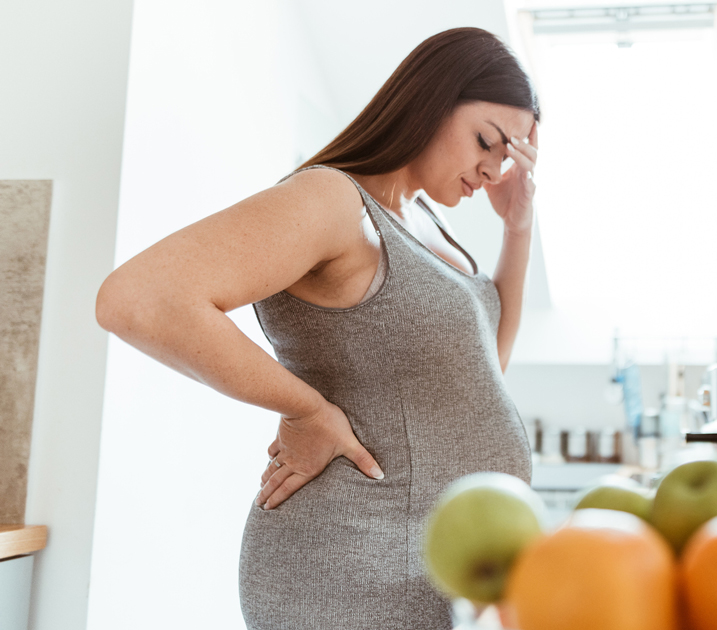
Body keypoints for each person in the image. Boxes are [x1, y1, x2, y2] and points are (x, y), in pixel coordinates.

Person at [95, 27, 539, 630]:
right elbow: (140, 299)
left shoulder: (424, 219)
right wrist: (306, 410)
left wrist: (518, 226)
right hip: (353, 564)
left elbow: (481, 371)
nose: (492, 169)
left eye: (506, 156)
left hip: (437, 566)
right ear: (431, 99)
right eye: (486, 141)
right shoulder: (334, 201)